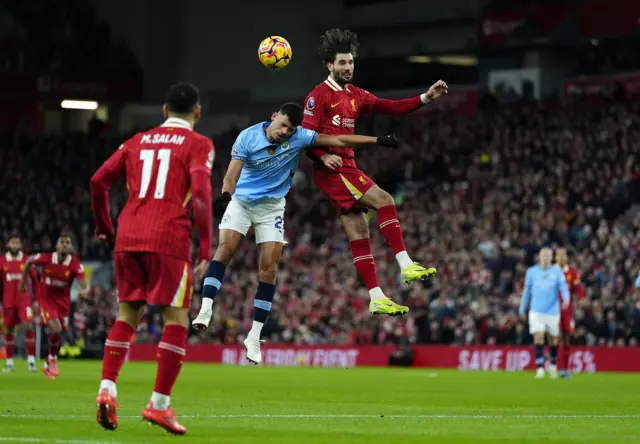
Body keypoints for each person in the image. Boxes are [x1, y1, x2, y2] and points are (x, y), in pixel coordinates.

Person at [192, 102, 398, 364]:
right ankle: (206, 308)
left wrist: (376, 140)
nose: (285, 132)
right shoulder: (247, 136)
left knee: (269, 267)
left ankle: (254, 337)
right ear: (274, 117)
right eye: (283, 125)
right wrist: (225, 195)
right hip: (242, 202)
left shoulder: (300, 137)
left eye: (290, 129)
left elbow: (339, 138)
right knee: (226, 248)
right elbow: (231, 175)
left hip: (272, 208)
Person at [89, 82, 214, 435]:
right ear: (197, 113)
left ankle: (106, 389)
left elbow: (98, 181)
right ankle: (159, 405)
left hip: (128, 235)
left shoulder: (135, 141)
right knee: (176, 316)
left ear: (163, 111)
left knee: (127, 312)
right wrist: (206, 247)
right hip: (168, 237)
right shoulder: (198, 143)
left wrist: (104, 227)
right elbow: (202, 193)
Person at [301, 28, 448, 316]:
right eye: (342, 63)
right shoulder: (317, 96)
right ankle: (406, 266)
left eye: (351, 62)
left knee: (359, 230)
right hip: (332, 168)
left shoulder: (356, 95)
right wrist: (323, 154)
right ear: (330, 65)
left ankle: (377, 296)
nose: (348, 67)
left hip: (347, 165)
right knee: (385, 201)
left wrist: (426, 97)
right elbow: (305, 136)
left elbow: (392, 107)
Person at [19, 233, 87, 378]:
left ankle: (46, 363)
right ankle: (53, 360)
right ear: (56, 246)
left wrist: (84, 291)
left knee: (60, 332)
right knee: (56, 329)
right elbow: (28, 261)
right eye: (61, 242)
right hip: (46, 300)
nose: (64, 245)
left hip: (63, 303)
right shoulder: (47, 258)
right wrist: (22, 282)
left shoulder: (75, 264)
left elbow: (83, 282)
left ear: (70, 247)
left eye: (67, 243)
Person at [519, 247, 570, 379]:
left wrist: (566, 299)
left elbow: (564, 288)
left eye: (548, 255)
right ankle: (540, 368)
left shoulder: (557, 272)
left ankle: (553, 365)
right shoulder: (531, 272)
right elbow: (526, 291)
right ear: (540, 257)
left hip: (553, 311)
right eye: (544, 255)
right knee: (538, 337)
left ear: (552, 258)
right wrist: (522, 307)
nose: (546, 258)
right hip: (536, 311)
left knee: (553, 340)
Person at [0, 234, 38, 373]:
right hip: (9, 302)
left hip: (24, 301)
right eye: (13, 242)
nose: (15, 245)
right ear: (8, 245)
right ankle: (10, 363)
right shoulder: (2, 261)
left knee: (28, 327)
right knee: (8, 330)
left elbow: (35, 280)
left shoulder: (27, 260)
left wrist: (37, 300)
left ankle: (31, 362)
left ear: (20, 245)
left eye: (17, 242)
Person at [554, 247, 585, 379]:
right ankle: (557, 367)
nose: (561, 258)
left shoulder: (572, 272)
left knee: (567, 339)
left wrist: (582, 298)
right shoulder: (551, 272)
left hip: (568, 312)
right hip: (553, 310)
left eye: (563, 255)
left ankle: (564, 369)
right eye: (559, 255)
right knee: (557, 339)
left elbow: (578, 288)